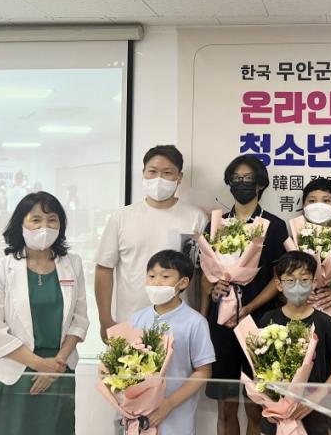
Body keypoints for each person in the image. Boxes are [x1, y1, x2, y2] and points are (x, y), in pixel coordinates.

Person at [0, 191, 89, 435]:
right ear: (21, 223)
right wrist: (41, 365)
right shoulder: (0, 269)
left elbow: (80, 320)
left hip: (59, 370)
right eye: (36, 220)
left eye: (52, 220)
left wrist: (56, 366)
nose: (45, 227)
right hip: (15, 371)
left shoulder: (73, 263)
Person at [203, 154, 288, 435]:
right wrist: (213, 290)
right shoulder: (216, 223)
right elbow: (205, 272)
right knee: (226, 405)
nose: (241, 183)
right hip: (221, 324)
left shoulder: (274, 226)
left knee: (256, 404)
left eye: (248, 178)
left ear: (260, 184)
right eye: (236, 178)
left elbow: (279, 279)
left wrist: (250, 307)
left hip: (260, 323)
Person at [95, 145, 208, 343]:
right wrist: (105, 319)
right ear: (143, 173)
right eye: (152, 171)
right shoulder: (121, 218)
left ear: (179, 177)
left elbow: (202, 274)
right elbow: (104, 268)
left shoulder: (196, 218)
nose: (159, 179)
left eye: (167, 173)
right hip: (129, 323)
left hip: (181, 325)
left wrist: (202, 316)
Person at [258, 251, 331, 435]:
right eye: (290, 280)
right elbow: (258, 369)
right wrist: (267, 402)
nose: (297, 285)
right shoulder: (268, 319)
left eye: (304, 279)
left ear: (314, 282)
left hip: (313, 412)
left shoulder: (324, 321)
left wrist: (315, 399)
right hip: (275, 413)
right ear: (279, 284)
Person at [130, 250, 215, 435]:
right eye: (151, 276)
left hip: (177, 418)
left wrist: (168, 404)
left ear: (183, 282)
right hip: (139, 416)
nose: (156, 282)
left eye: (165, 276)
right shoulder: (137, 319)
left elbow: (203, 371)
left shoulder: (195, 322)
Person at [298, 177, 331, 337]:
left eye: (326, 201)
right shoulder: (292, 241)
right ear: (303, 207)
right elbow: (278, 288)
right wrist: (297, 293)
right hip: (299, 318)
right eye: (312, 201)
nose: (319, 206)